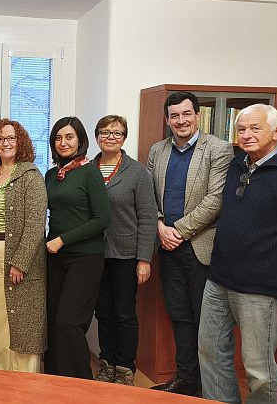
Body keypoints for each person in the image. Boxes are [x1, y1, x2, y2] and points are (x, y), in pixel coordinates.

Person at [199, 104, 277, 403]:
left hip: (260, 286)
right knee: (211, 353)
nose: (246, 135)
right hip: (218, 279)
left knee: (259, 369)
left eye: (255, 128)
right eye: (241, 129)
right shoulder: (236, 165)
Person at [147, 91, 232, 395]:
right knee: (179, 315)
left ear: (197, 115)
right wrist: (159, 226)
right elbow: (148, 196)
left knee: (205, 320)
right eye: (174, 116)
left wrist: (178, 231)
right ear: (167, 119)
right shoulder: (157, 150)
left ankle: (209, 388)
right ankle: (186, 380)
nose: (180, 121)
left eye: (186, 114)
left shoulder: (218, 149)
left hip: (200, 248)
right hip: (167, 248)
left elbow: (215, 200)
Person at [91, 115, 157, 386]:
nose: (110, 137)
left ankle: (125, 368)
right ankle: (106, 363)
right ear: (97, 137)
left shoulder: (137, 172)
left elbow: (148, 218)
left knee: (124, 314)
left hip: (126, 255)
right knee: (103, 313)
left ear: (124, 138)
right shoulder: (87, 169)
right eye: (105, 132)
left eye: (116, 133)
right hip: (94, 254)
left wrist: (144, 259)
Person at [44, 116, 111, 379]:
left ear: (80, 140)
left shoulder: (90, 171)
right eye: (58, 138)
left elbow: (102, 219)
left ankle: (81, 385)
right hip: (55, 258)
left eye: (69, 137)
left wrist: (62, 239)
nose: (63, 142)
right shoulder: (52, 175)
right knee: (53, 322)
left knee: (68, 323)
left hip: (85, 258)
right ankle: (55, 381)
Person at [0, 118, 47, 373]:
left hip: (18, 258)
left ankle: (23, 380)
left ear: (20, 142)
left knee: (22, 320)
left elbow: (35, 223)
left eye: (11, 138)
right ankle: (0, 374)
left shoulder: (30, 175)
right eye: (0, 138)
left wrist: (20, 262)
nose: (5, 143)